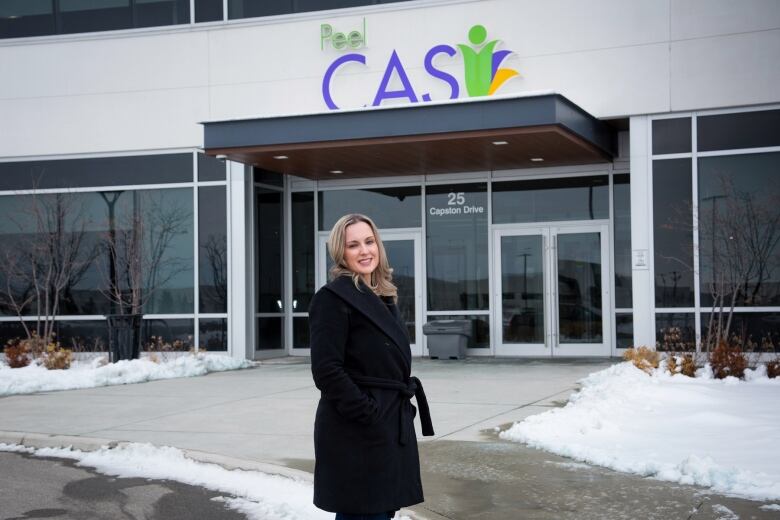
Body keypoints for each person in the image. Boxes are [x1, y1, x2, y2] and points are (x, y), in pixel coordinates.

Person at [309, 213, 434, 520]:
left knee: (380, 512)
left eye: (369, 241)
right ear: (341, 252)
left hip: (387, 425)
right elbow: (327, 370)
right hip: (356, 430)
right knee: (364, 513)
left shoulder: (383, 296)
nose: (365, 251)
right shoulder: (332, 298)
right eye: (354, 245)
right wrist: (368, 412)